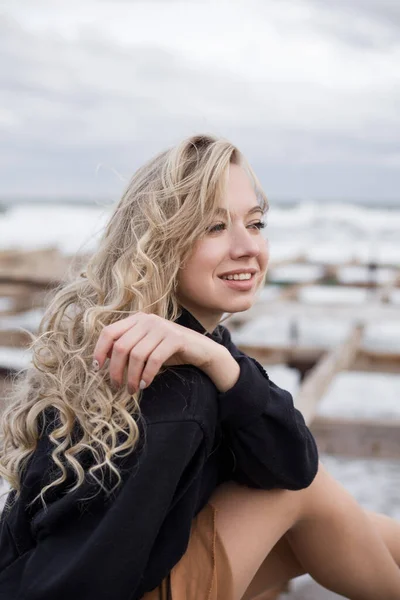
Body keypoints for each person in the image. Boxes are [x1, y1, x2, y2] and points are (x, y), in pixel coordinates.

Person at [0, 134, 399, 600]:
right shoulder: (171, 388)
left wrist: (219, 360)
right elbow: (85, 571)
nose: (248, 247)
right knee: (305, 498)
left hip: (134, 570)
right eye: (213, 227)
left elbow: (291, 459)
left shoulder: (191, 345)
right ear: (159, 243)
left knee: (329, 521)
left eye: (255, 223)